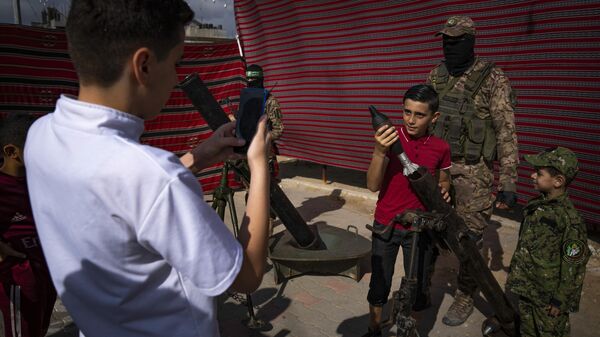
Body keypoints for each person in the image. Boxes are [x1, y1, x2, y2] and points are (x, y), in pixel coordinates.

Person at [23, 1, 271, 337]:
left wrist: (199, 156)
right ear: (143, 65)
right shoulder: (154, 177)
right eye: (176, 62)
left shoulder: (40, 136)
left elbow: (119, 196)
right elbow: (248, 275)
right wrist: (259, 167)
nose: (177, 77)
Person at [426, 15, 519, 326]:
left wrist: (509, 180)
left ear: (471, 41)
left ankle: (466, 294)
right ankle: (422, 286)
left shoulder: (493, 78)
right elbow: (422, 123)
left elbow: (506, 130)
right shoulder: (436, 76)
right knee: (427, 228)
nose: (449, 46)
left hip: (472, 174)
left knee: (470, 239)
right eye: (445, 40)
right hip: (435, 168)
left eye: (456, 41)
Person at [364, 84, 451, 337]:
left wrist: (444, 189)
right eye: (406, 112)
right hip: (386, 223)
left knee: (419, 286)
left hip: (420, 228)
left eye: (419, 114)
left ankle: (410, 331)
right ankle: (374, 329)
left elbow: (444, 179)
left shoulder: (441, 147)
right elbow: (371, 185)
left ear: (434, 117)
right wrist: (380, 151)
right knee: (379, 283)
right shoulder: (389, 138)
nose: (411, 120)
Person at [507, 147, 589, 337]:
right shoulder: (536, 206)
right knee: (527, 331)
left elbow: (574, 265)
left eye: (539, 173)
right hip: (527, 288)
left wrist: (561, 299)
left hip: (548, 298)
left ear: (558, 181)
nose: (532, 175)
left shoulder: (571, 220)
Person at [0, 113, 56, 337]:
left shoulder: (42, 181)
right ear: (12, 152)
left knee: (39, 328)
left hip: (46, 273)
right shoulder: (2, 188)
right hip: (18, 279)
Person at [246, 64, 284, 178]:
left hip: (265, 153)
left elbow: (279, 129)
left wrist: (264, 138)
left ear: (260, 80)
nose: (249, 82)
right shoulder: (247, 99)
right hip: (247, 150)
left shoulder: (270, 101)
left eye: (253, 79)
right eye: (248, 79)